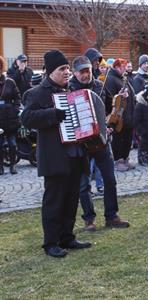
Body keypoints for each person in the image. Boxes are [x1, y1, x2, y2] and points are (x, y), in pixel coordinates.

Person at [21, 50, 91, 258]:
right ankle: (50, 242)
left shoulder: (72, 90)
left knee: (71, 198)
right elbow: (27, 118)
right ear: (51, 71)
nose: (67, 72)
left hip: (75, 154)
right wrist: (53, 114)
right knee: (54, 200)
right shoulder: (36, 93)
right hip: (54, 156)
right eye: (62, 69)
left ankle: (67, 237)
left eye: (68, 69)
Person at [68, 55, 130, 231]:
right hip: (81, 143)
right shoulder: (69, 89)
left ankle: (112, 216)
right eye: (82, 72)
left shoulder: (98, 86)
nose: (86, 74)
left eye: (88, 70)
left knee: (110, 179)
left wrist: (109, 123)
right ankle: (89, 219)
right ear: (74, 72)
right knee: (83, 184)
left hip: (101, 141)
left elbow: (110, 109)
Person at [104, 58, 137, 171]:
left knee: (127, 139)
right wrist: (119, 96)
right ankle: (118, 160)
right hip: (119, 116)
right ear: (117, 67)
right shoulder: (110, 79)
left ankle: (125, 158)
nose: (125, 69)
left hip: (129, 115)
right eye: (123, 67)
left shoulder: (123, 78)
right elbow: (110, 99)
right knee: (119, 139)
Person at [0, 56, 21, 175]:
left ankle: (13, 165)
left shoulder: (10, 82)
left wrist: (15, 109)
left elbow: (17, 97)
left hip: (11, 118)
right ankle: (1, 167)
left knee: (12, 144)